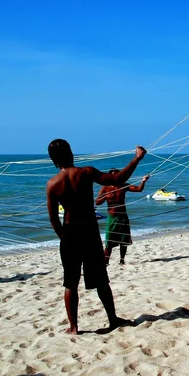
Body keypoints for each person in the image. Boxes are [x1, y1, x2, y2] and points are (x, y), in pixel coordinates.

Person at [46, 138, 146, 334]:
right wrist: (136, 159)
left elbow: (53, 220)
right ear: (71, 153)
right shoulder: (86, 173)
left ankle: (74, 327)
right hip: (89, 234)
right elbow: (117, 180)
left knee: (70, 283)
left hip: (70, 236)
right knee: (101, 280)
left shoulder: (52, 184)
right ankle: (112, 319)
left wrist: (64, 238)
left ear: (53, 160)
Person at [96, 170, 150, 266]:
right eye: (112, 176)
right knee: (109, 241)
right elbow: (97, 202)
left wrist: (143, 181)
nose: (115, 177)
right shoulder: (105, 188)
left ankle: (122, 260)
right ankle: (106, 261)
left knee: (123, 240)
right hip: (112, 217)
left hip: (123, 216)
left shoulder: (123, 186)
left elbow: (138, 189)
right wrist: (105, 197)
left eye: (117, 175)